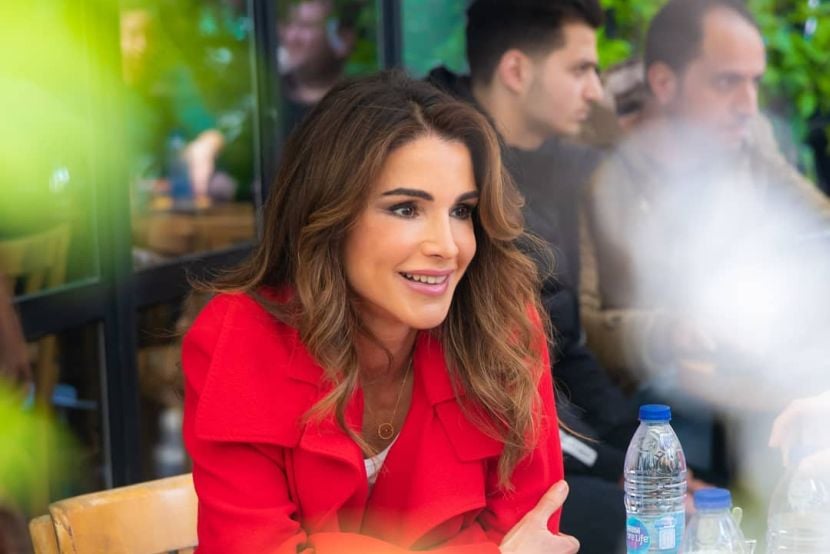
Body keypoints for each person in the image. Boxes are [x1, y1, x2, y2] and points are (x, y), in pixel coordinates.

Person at [183, 71, 579, 553]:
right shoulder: (240, 335)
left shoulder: (502, 323)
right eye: (406, 209)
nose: (447, 246)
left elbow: (532, 529)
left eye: (461, 211)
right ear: (330, 215)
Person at [428, 2, 637, 551]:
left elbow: (563, 341)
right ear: (517, 71)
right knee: (627, 518)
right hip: (470, 450)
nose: (595, 90)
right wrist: (619, 469)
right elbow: (494, 381)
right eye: (580, 69)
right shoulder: (444, 165)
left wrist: (639, 448)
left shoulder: (559, 166)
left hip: (538, 433)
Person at [580, 0, 830, 386]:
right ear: (664, 83)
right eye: (727, 83)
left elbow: (817, 220)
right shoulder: (588, 159)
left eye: (755, 82)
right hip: (644, 396)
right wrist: (670, 332)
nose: (749, 106)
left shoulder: (749, 139)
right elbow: (576, 328)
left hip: (743, 371)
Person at [277, 0, 357, 132]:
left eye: (305, 26)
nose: (291, 37)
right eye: (289, 24)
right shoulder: (265, 97)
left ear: (343, 39)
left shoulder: (357, 109)